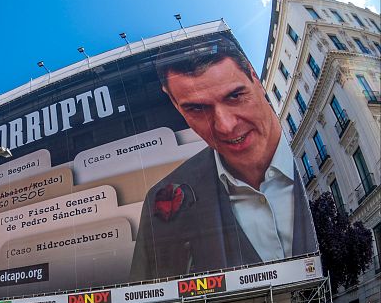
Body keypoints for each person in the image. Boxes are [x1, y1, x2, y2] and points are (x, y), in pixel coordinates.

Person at [130, 33, 317, 281]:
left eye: (235, 96)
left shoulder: (311, 149)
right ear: (176, 105)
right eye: (197, 108)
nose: (226, 126)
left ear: (254, 77)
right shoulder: (160, 199)